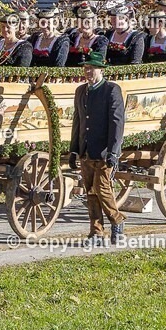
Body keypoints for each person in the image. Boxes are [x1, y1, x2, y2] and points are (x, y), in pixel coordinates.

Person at [69, 50, 127, 246]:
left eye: (91, 68)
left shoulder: (111, 90)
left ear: (101, 70)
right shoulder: (80, 91)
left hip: (103, 151)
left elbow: (117, 123)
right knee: (90, 192)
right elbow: (77, 122)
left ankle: (117, 220)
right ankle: (96, 232)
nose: (87, 72)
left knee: (102, 188)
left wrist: (113, 152)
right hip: (86, 150)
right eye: (86, 68)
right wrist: (74, 150)